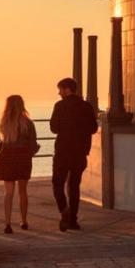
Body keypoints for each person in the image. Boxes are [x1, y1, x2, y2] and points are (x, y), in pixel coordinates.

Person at [49, 77, 98, 231]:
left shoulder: (60, 106)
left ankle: (64, 211)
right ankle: (73, 220)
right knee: (74, 186)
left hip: (63, 151)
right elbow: (93, 128)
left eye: (60, 89)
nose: (59, 93)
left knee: (57, 183)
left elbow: (54, 128)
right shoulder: (86, 106)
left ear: (67, 89)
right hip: (80, 152)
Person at [0, 95, 38, 235]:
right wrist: (29, 153)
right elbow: (33, 143)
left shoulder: (3, 123)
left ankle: (8, 223)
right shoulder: (28, 123)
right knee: (23, 191)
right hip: (23, 158)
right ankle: (23, 220)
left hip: (7, 157)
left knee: (8, 192)